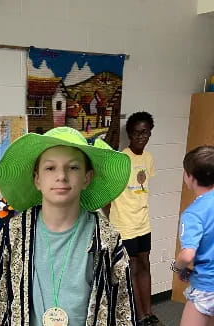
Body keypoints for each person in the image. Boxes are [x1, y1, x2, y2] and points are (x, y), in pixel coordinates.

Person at [0, 126, 136, 325]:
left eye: (73, 167)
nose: (61, 176)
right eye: (50, 168)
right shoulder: (14, 232)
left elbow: (123, 310)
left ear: (87, 178)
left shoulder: (106, 237)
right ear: (37, 179)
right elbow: (0, 309)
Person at [108, 111, 158, 325]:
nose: (141, 137)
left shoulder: (148, 159)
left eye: (145, 132)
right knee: (133, 267)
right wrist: (115, 218)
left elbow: (142, 189)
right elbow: (107, 198)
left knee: (145, 264)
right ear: (129, 134)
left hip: (143, 223)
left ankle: (149, 312)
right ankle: (140, 316)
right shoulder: (121, 160)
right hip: (124, 225)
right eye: (137, 133)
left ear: (150, 133)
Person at [173, 146, 214, 326]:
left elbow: (187, 254)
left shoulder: (193, 214)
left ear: (189, 176)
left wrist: (177, 268)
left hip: (206, 286)